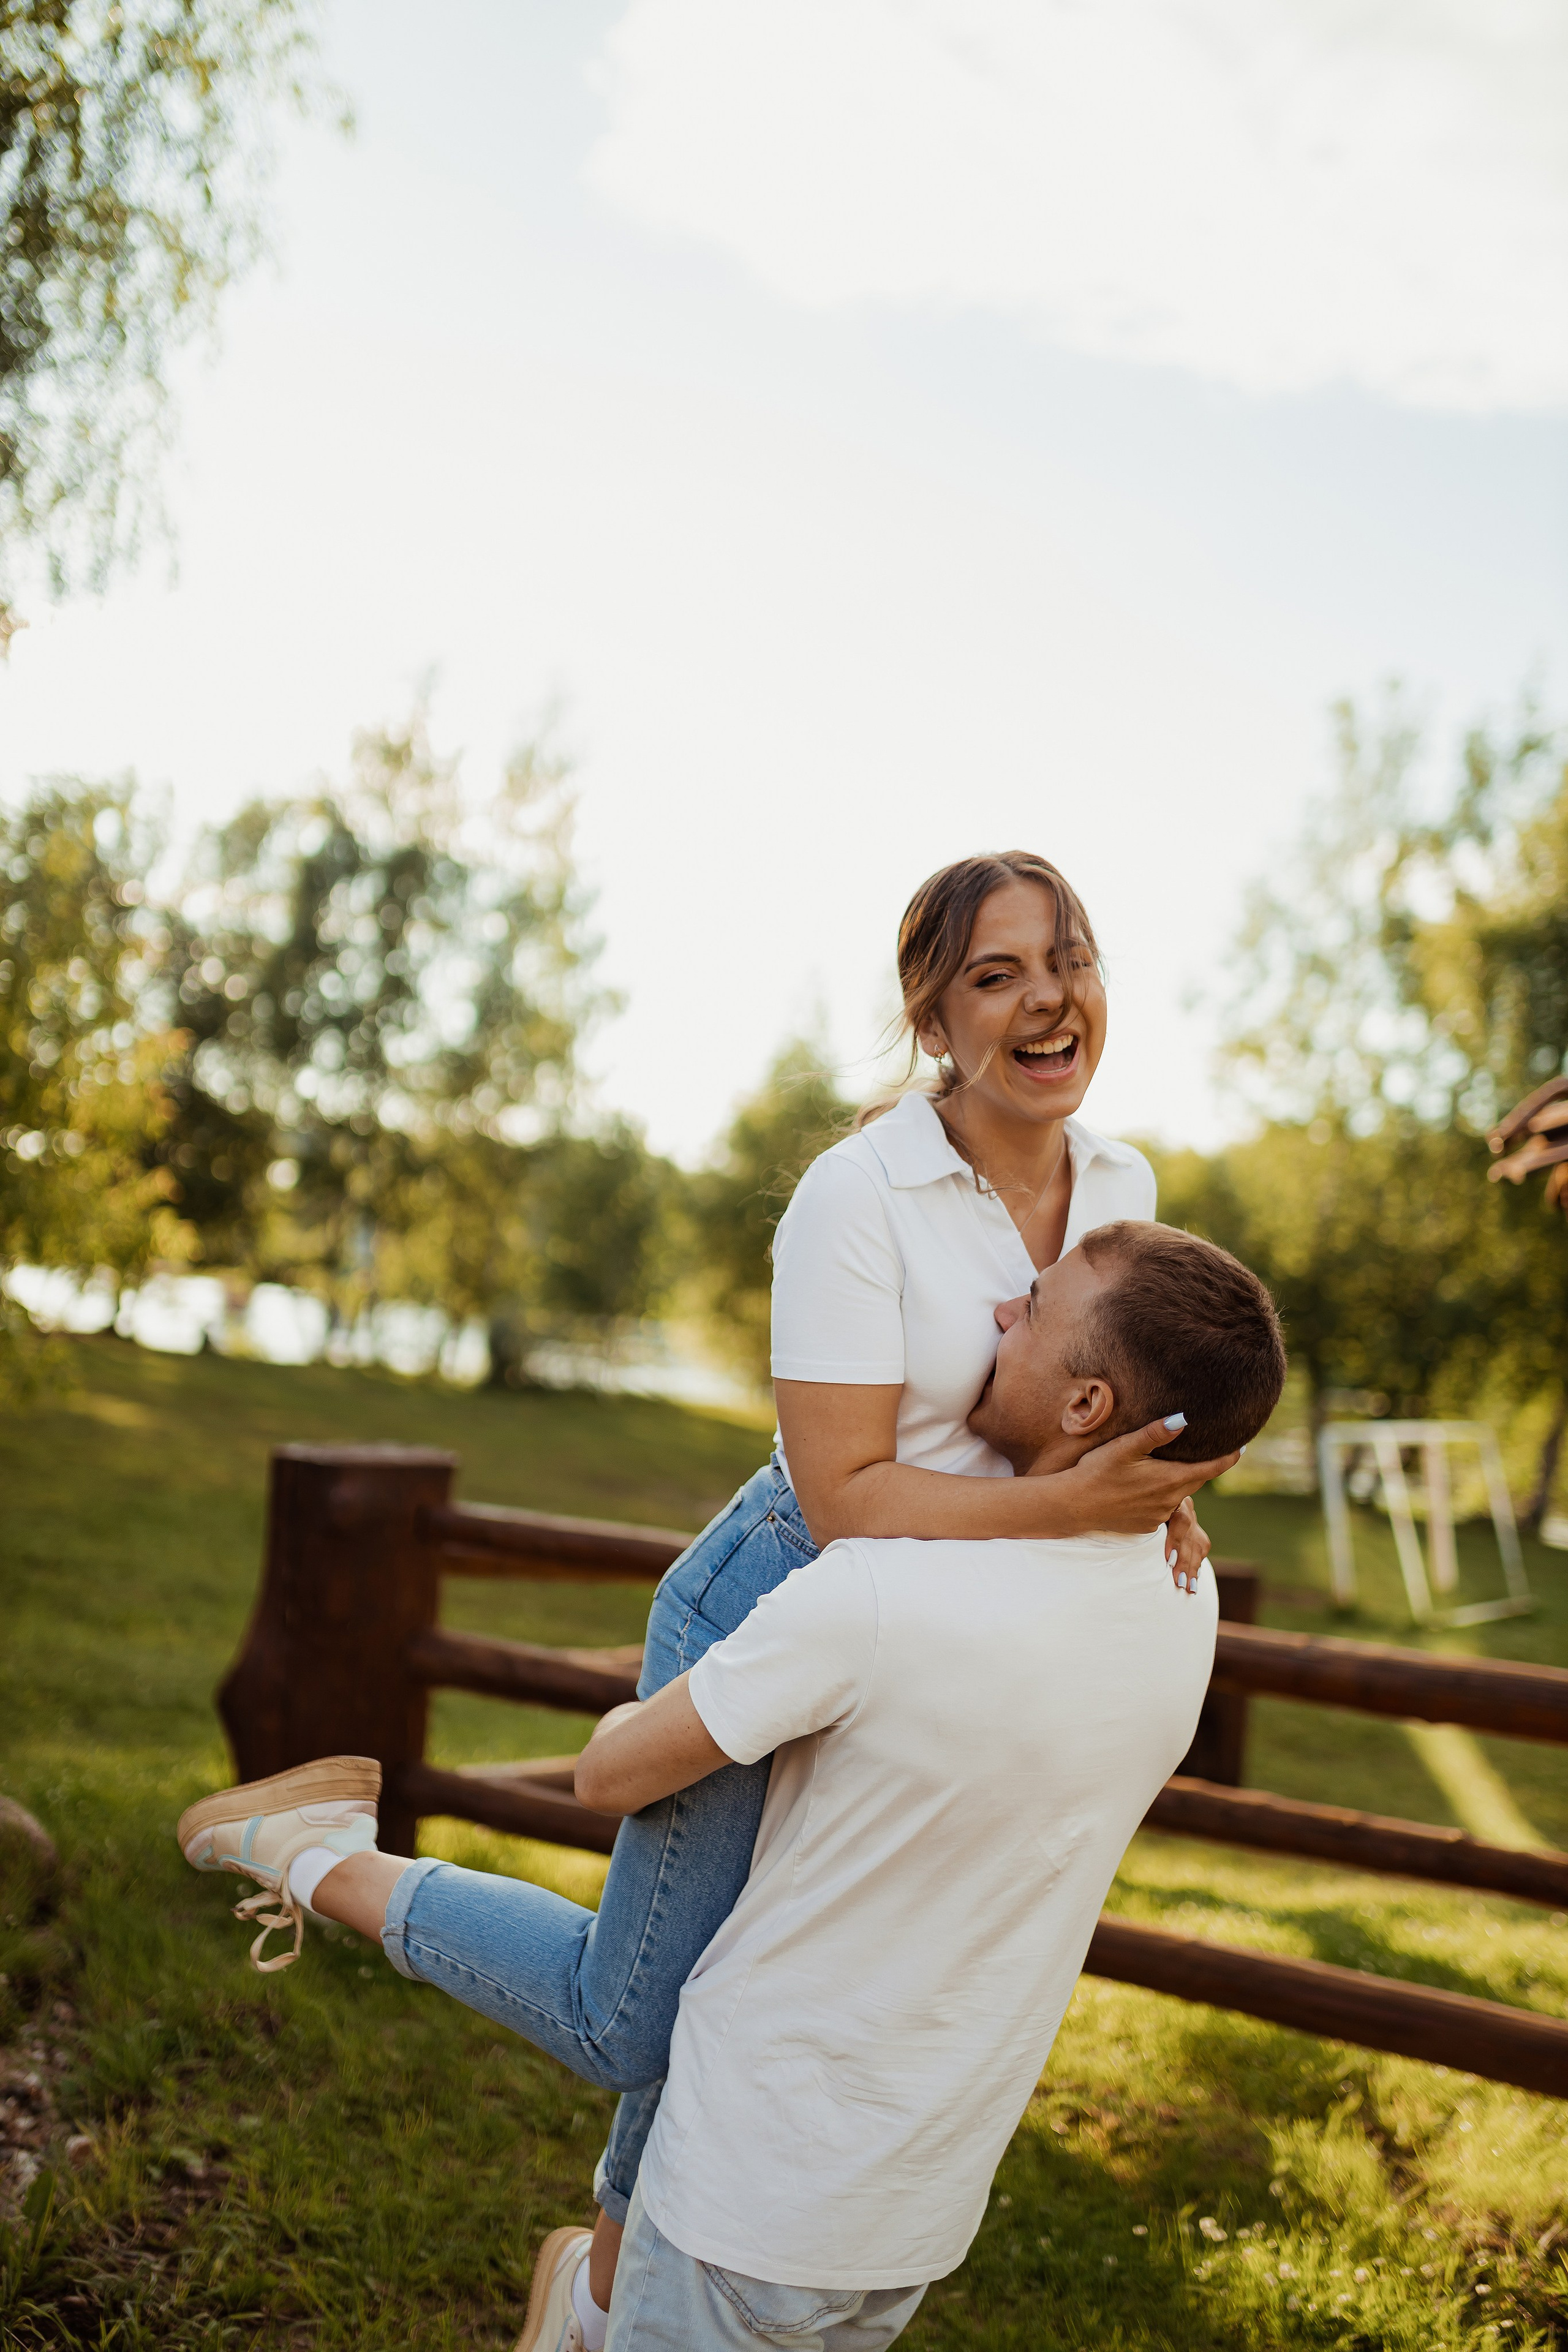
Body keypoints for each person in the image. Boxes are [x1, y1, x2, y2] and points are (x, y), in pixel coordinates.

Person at [179, 852, 1239, 2340]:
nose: (1047, 999)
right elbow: (839, 1495)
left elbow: (1129, 1381)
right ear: (933, 1019)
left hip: (938, 1640)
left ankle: (604, 2297)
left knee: (746, 1999)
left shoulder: (1118, 1183)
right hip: (788, 1599)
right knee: (631, 2020)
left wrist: (1168, 1491)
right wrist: (1072, 1506)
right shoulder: (853, 1194)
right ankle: (306, 1851)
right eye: (995, 975)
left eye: (1067, 958)